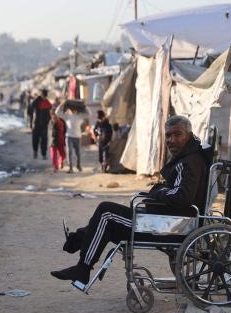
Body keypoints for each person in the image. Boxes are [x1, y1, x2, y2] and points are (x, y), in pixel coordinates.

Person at [51, 115, 209, 284]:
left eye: (177, 135)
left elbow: (181, 197)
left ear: (188, 134)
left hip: (172, 225)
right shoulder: (186, 158)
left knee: (106, 212)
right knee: (108, 218)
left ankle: (82, 266)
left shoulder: (189, 162)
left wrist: (157, 192)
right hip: (163, 220)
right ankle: (78, 241)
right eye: (168, 135)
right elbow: (175, 192)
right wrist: (159, 191)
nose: (171, 140)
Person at [55, 101, 90, 173]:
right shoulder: (67, 116)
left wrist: (85, 106)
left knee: (78, 153)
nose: (73, 110)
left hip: (78, 137)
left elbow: (89, 114)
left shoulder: (80, 116)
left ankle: (78, 165)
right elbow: (57, 112)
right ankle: (70, 168)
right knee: (69, 152)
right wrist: (62, 104)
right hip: (69, 136)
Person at [30, 89, 52, 159]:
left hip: (44, 125)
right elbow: (32, 105)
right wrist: (38, 97)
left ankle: (44, 154)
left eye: (45, 96)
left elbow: (50, 111)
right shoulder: (37, 102)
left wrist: (48, 121)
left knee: (44, 140)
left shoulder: (47, 103)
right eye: (43, 96)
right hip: (36, 124)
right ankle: (35, 152)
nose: (44, 97)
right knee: (35, 139)